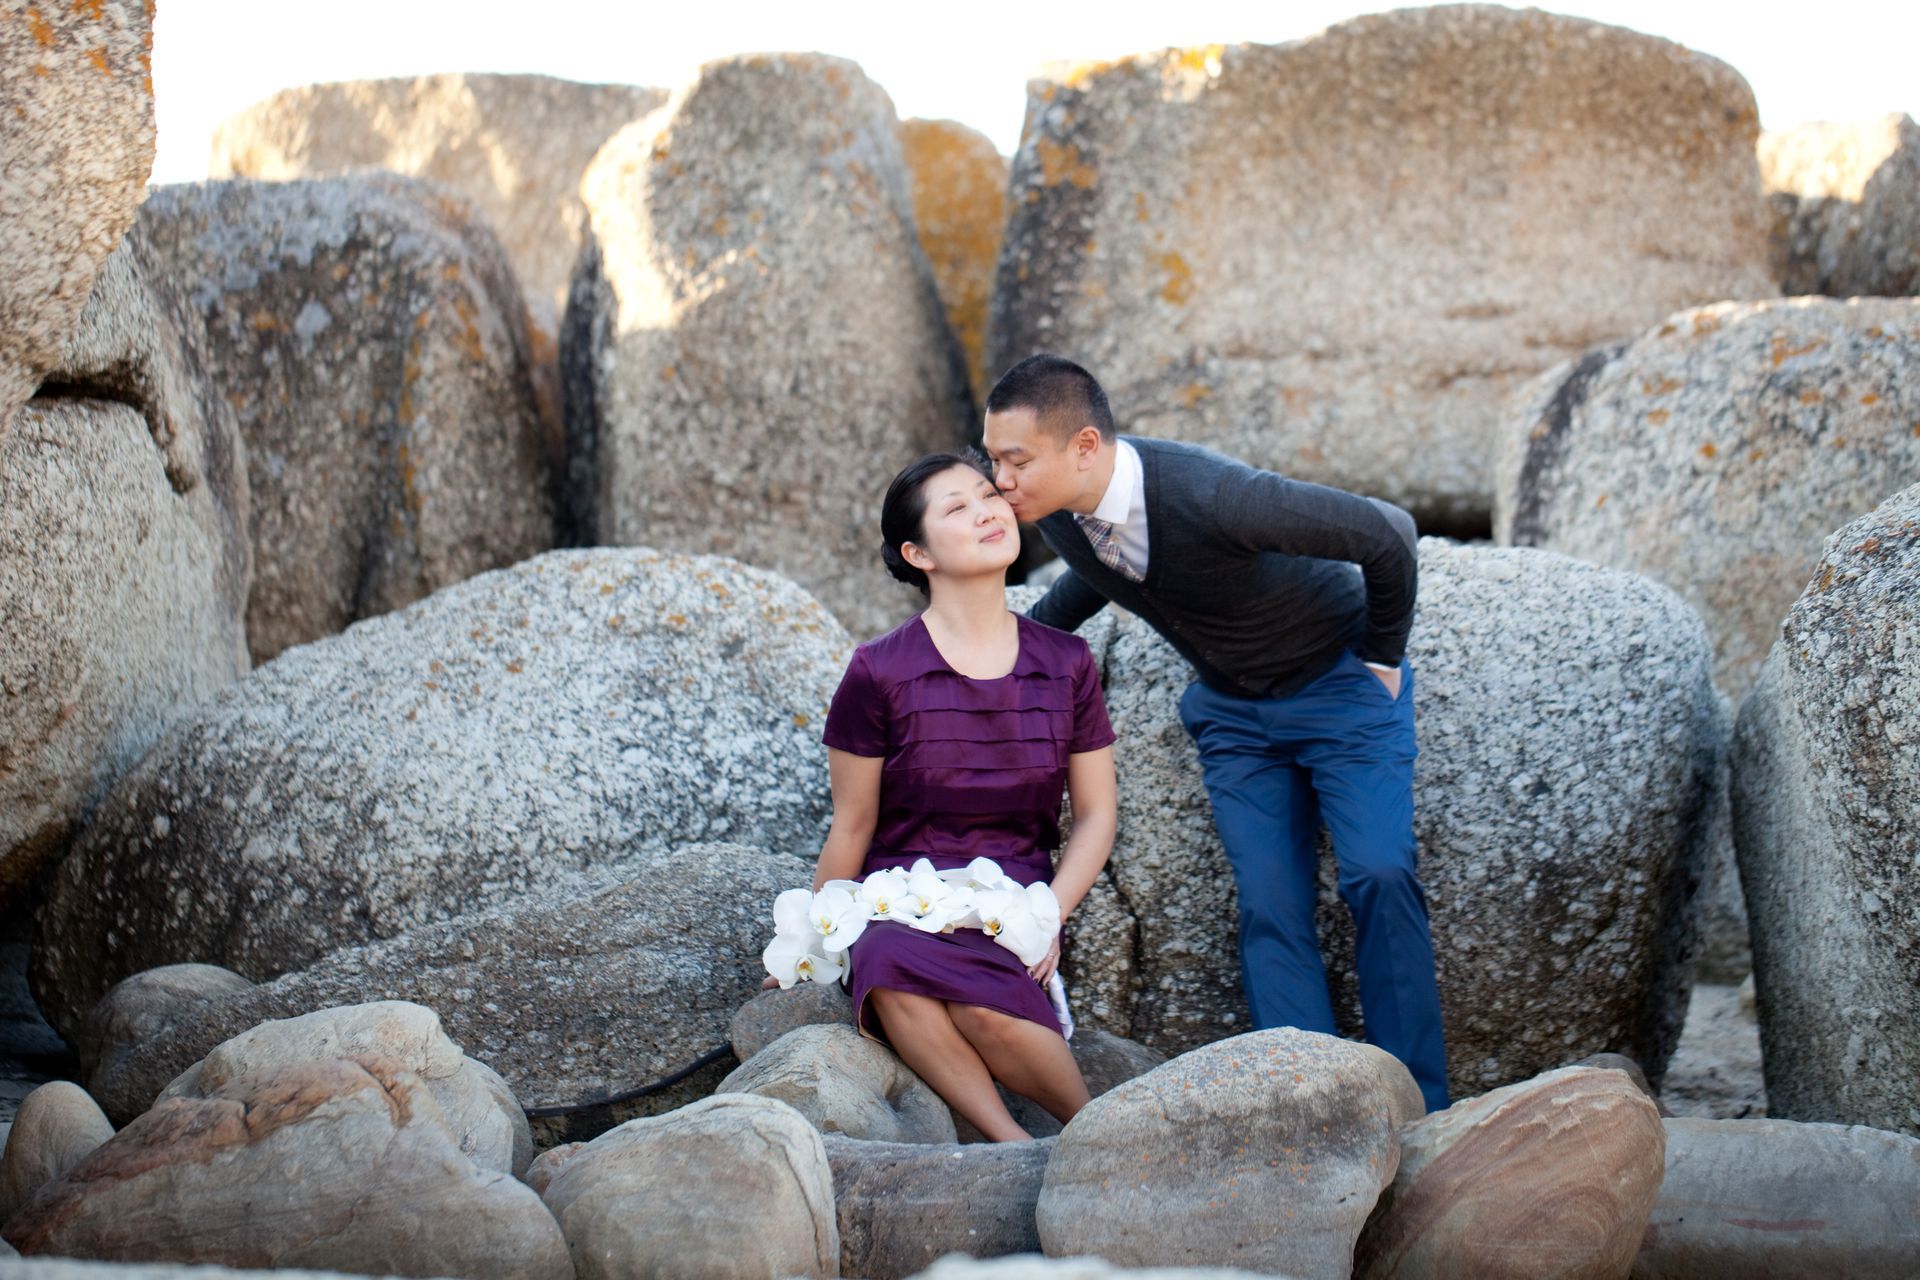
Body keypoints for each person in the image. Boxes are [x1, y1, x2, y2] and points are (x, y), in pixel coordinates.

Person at [981, 354, 1450, 1114]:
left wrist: (1383, 656)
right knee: (1268, 903)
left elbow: (1388, 532)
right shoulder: (1063, 517)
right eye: (992, 459)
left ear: (1085, 448)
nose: (999, 480)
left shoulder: (1214, 493)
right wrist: (1004, 657)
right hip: (1236, 718)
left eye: (1015, 460)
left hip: (1340, 690)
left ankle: (1424, 1107)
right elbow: (1092, 582)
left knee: (1379, 873)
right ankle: (1307, 1108)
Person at [801, 450, 1119, 1141]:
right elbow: (853, 824)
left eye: (987, 496)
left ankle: (1100, 1137)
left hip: (1014, 896)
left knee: (981, 1009)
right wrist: (810, 940)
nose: (986, 512)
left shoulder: (1066, 662)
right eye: (957, 508)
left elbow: (1097, 816)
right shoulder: (877, 671)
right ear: (918, 553)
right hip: (903, 892)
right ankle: (1011, 1147)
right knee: (884, 957)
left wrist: (1047, 914)